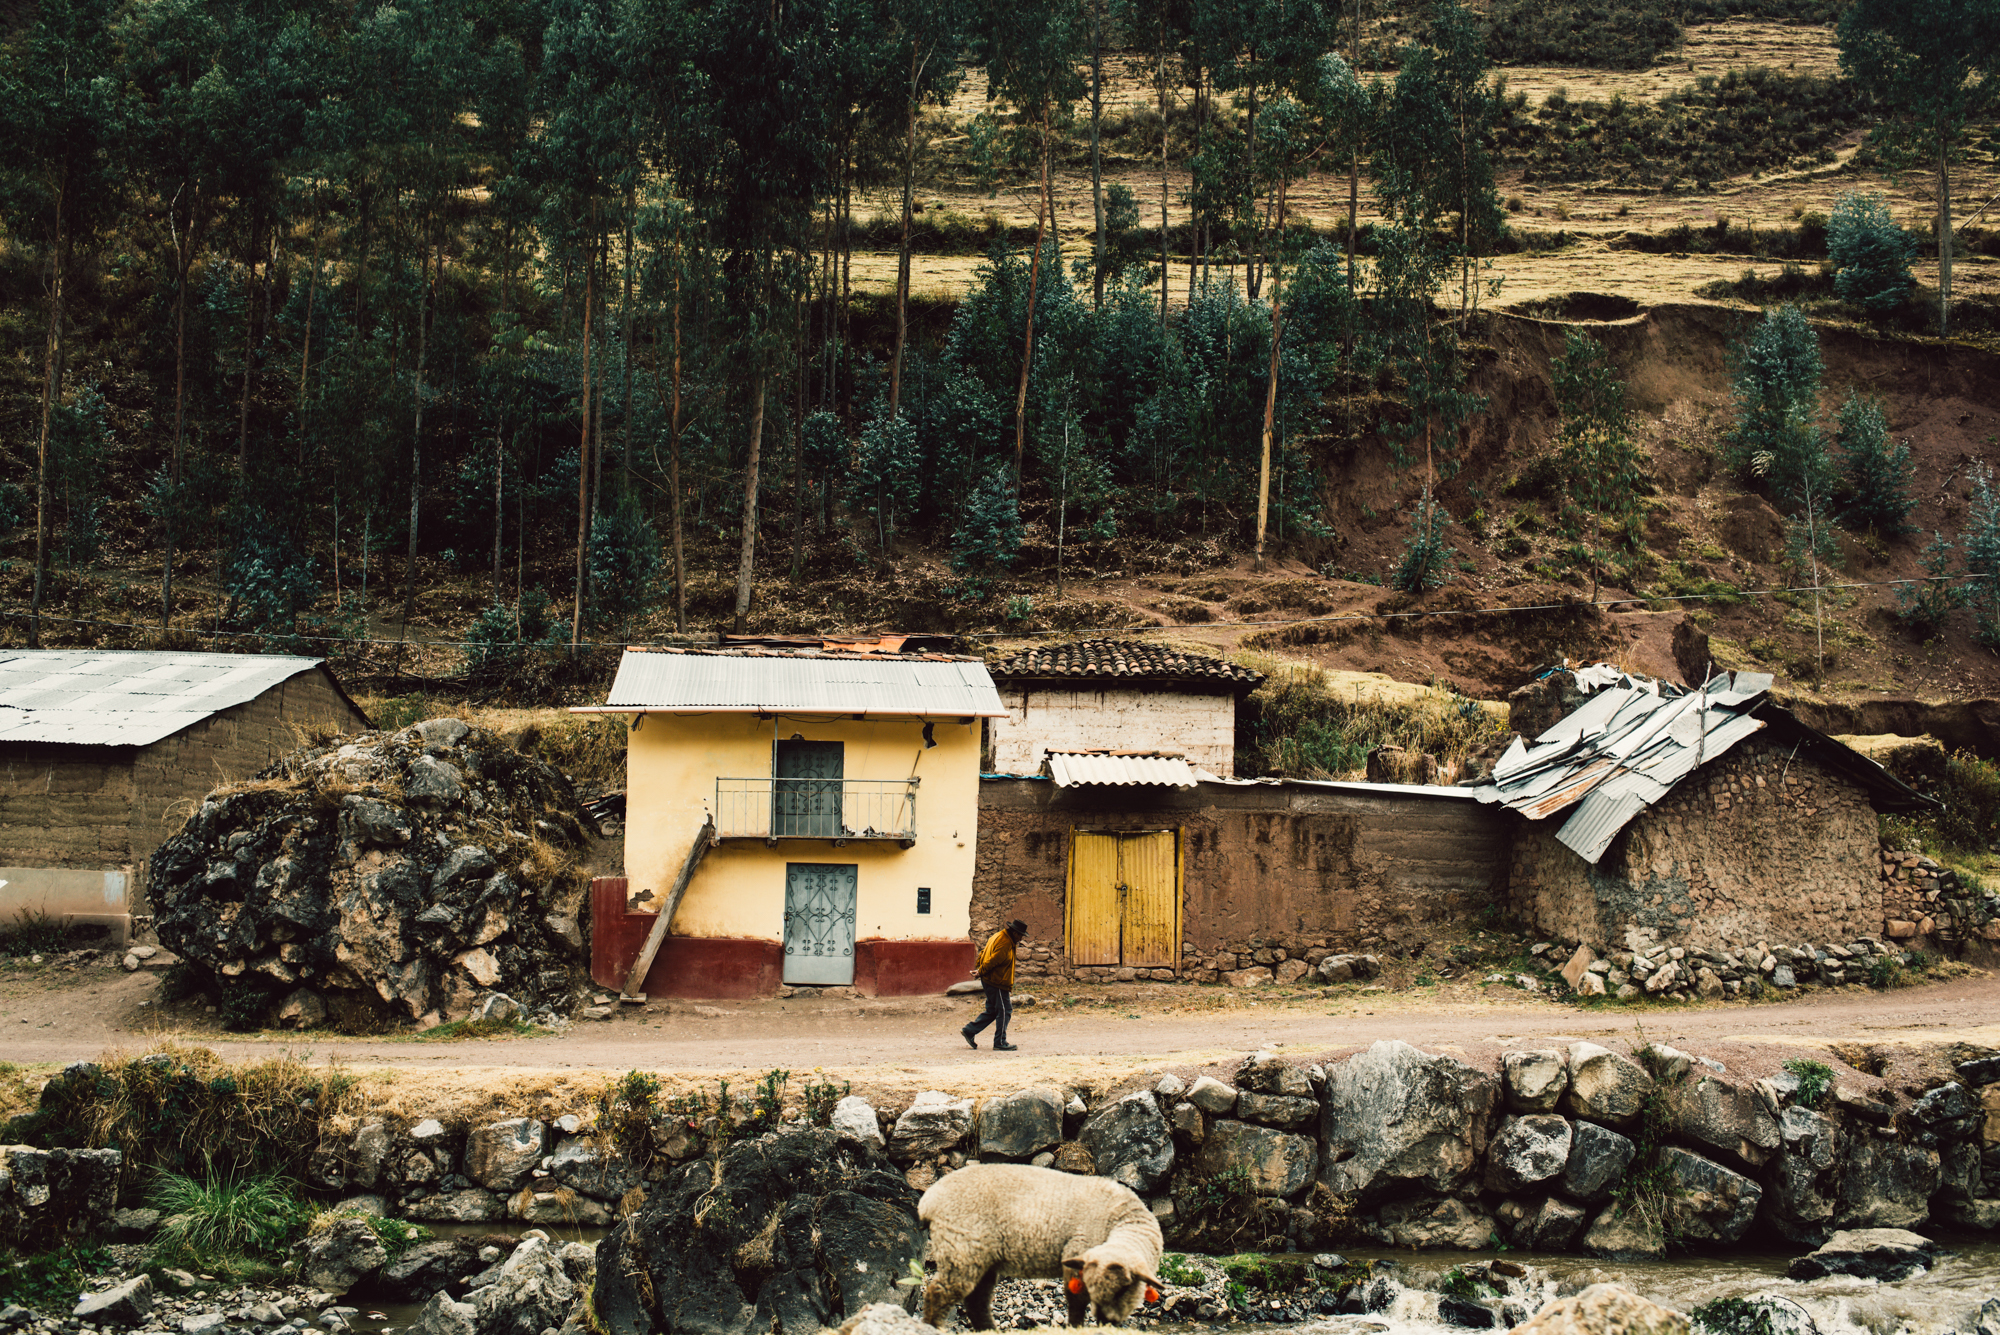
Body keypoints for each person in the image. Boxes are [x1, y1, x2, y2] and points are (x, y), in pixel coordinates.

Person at [963, 919, 1026, 1051]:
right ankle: (1000, 1042)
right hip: (997, 981)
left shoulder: (998, 936)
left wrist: (980, 968)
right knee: (1005, 1011)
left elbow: (983, 952)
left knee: (992, 1010)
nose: (1021, 939)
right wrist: (981, 971)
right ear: (1015, 933)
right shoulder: (1006, 942)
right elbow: (993, 960)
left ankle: (970, 1030)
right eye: (1020, 935)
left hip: (990, 980)